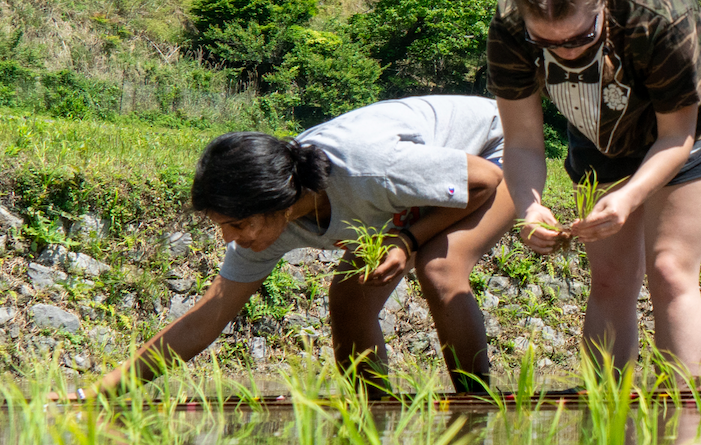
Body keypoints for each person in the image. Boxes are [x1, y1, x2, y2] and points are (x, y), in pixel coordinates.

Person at [109, 95, 517, 395]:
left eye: (235, 224)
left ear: (277, 202)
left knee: (439, 268)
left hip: (497, 149)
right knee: (349, 297)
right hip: (418, 186)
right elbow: (204, 319)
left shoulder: (367, 169)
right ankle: (371, 412)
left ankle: (476, 407)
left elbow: (483, 180)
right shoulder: (273, 220)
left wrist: (407, 240)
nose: (229, 238)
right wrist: (98, 394)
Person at [487, 0, 701, 380]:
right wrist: (529, 206)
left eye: (581, 39)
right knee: (610, 277)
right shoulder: (510, 25)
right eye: (546, 42)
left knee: (670, 269)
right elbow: (523, 139)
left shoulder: (658, 10)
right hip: (597, 121)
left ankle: (681, 432)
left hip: (691, 121)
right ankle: (606, 430)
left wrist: (628, 198)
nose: (565, 52)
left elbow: (676, 135)